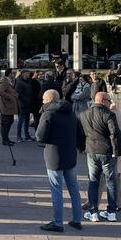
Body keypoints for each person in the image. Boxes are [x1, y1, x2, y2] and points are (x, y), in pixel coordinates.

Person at [35, 90, 85, 232]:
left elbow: (40, 136)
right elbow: (80, 133)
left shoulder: (48, 114)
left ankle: (57, 222)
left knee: (56, 190)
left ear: (49, 100)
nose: (42, 102)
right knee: (73, 189)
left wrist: (44, 141)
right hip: (70, 156)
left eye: (44, 99)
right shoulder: (71, 113)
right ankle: (77, 220)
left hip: (54, 156)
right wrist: (80, 147)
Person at [79, 92, 121, 222]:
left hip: (91, 151)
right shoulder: (109, 114)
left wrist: (82, 148)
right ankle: (111, 212)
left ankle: (93, 212)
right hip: (107, 152)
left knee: (93, 181)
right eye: (109, 100)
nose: (110, 103)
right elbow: (115, 134)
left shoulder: (84, 114)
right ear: (103, 100)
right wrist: (117, 151)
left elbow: (80, 133)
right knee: (111, 181)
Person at [0, 68, 18, 146]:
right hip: (5, 106)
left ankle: (7, 138)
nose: (14, 75)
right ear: (9, 73)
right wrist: (10, 97)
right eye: (13, 73)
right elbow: (0, 91)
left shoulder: (9, 80)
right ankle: (5, 140)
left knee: (10, 121)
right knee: (6, 123)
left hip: (9, 106)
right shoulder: (4, 81)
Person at [15, 70, 35, 142]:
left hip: (28, 104)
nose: (29, 75)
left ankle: (27, 135)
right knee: (21, 121)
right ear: (23, 74)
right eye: (27, 73)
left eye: (29, 73)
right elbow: (18, 94)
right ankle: (18, 136)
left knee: (27, 121)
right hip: (22, 105)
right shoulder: (19, 82)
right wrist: (23, 102)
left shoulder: (28, 81)